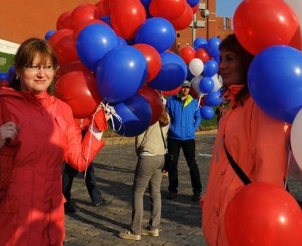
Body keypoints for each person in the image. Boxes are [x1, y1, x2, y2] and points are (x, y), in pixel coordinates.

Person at [0, 38, 108, 245]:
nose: (41, 74)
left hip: (47, 220)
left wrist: (97, 128)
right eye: (33, 66)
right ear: (18, 69)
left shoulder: (62, 111)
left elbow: (79, 160)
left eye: (48, 67)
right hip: (2, 222)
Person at [202, 34, 290, 245]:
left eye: (230, 58)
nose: (221, 66)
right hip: (221, 214)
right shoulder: (232, 106)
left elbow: (269, 170)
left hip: (245, 219)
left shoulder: (261, 107)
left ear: (248, 61)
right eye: (221, 59)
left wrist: (262, 221)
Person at [119, 105, 170, 240]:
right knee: (155, 192)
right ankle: (154, 227)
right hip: (160, 156)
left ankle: (135, 230)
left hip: (148, 155)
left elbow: (139, 138)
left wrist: (138, 153)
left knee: (138, 192)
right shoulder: (166, 117)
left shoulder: (148, 117)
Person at [165, 80, 202, 201]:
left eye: (187, 87)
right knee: (172, 164)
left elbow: (198, 117)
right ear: (180, 88)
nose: (185, 89)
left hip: (188, 138)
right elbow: (166, 116)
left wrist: (193, 128)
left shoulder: (194, 102)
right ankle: (172, 189)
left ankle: (197, 190)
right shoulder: (171, 100)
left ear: (190, 89)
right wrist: (170, 127)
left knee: (192, 164)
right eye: (183, 87)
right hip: (173, 138)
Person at [62, 117, 108, 213]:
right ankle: (65, 202)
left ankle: (96, 198)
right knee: (71, 171)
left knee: (88, 169)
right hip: (75, 133)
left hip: (85, 132)